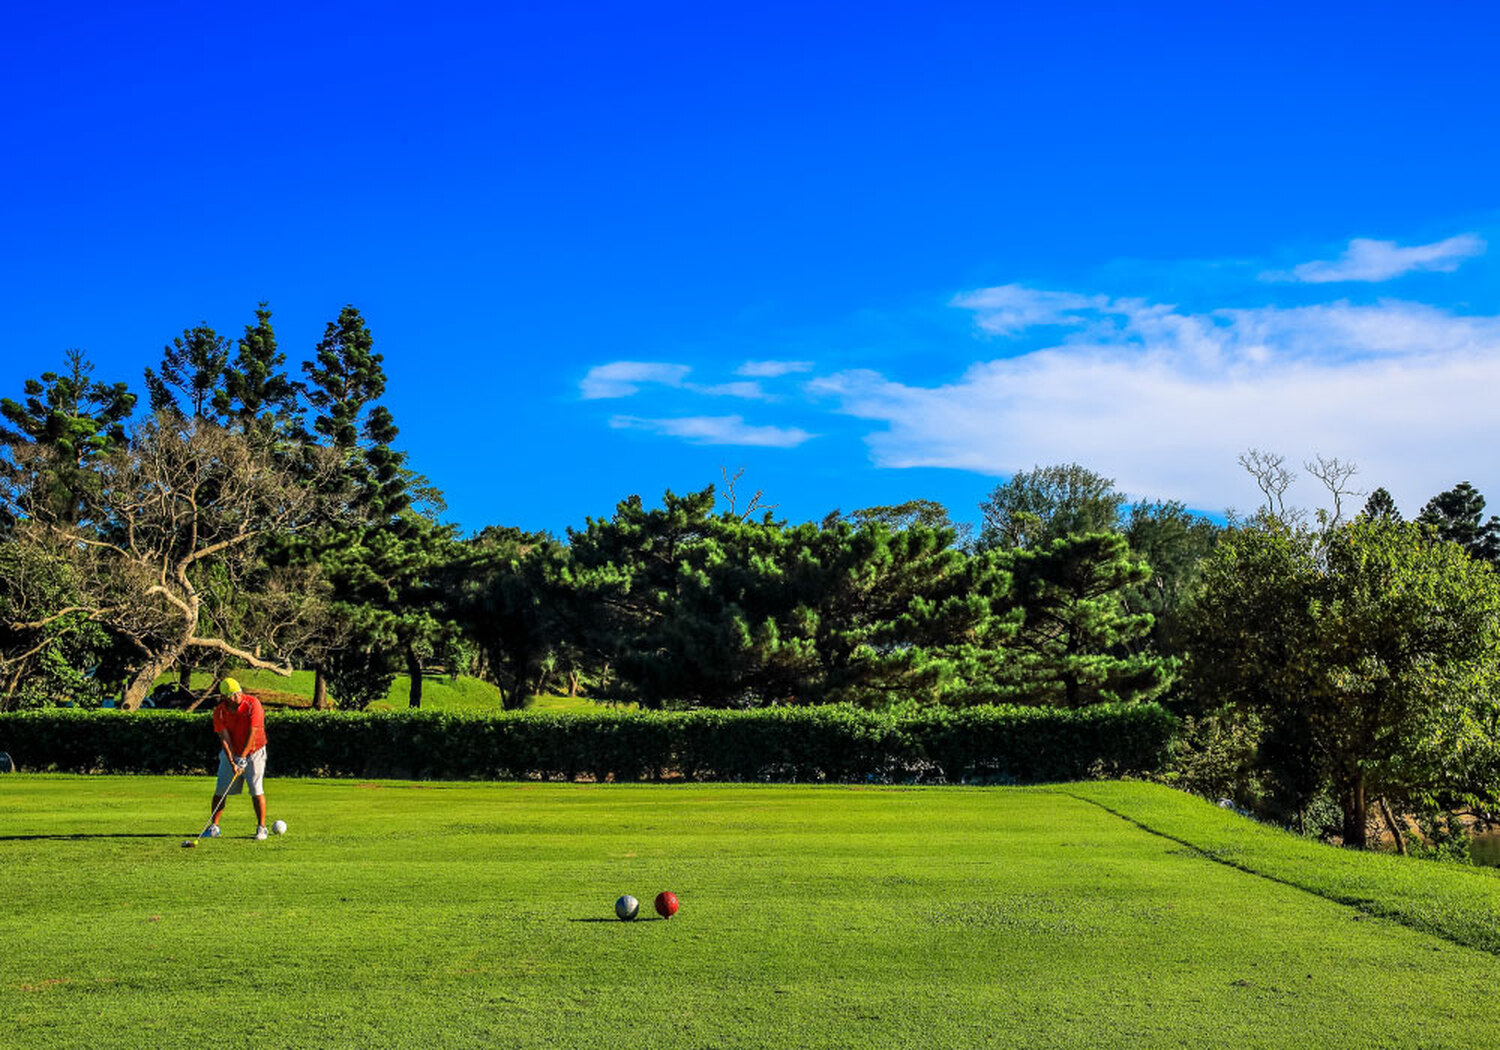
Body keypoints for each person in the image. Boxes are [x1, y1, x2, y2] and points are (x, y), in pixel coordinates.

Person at [204, 677, 271, 840]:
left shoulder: (253, 704)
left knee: (256, 790)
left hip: (255, 751)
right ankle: (214, 827)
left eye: (238, 693)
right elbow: (225, 738)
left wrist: (242, 758)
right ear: (225, 697)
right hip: (233, 753)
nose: (237, 697)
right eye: (233, 695)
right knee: (221, 790)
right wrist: (233, 760)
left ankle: (261, 828)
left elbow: (252, 732)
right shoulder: (220, 711)